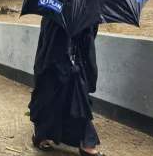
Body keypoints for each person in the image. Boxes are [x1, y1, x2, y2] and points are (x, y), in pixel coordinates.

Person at [29, 17, 103, 156]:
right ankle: (40, 134)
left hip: (77, 60)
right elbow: (48, 38)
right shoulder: (53, 4)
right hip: (52, 60)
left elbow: (90, 35)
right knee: (48, 98)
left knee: (78, 99)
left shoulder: (88, 4)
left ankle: (86, 142)